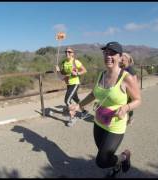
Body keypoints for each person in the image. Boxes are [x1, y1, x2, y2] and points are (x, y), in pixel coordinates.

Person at [69, 42, 142, 177]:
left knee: (101, 161)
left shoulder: (126, 78)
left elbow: (138, 100)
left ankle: (124, 156)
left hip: (115, 125)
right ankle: (117, 166)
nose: (108, 56)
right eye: (106, 53)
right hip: (99, 121)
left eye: (112, 53)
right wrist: (79, 106)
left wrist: (126, 107)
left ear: (120, 57)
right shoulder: (101, 74)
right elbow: (93, 94)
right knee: (104, 154)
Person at [55, 47, 88, 127]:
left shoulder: (75, 61)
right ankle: (84, 112)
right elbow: (62, 74)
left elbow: (84, 70)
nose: (67, 53)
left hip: (75, 83)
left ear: (73, 53)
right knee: (75, 99)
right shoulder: (64, 62)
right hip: (69, 84)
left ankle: (72, 118)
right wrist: (58, 70)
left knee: (67, 100)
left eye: (69, 52)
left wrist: (77, 73)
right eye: (66, 52)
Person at [120, 52, 138, 125]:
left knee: (128, 105)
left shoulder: (130, 70)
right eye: (120, 59)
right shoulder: (121, 68)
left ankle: (130, 118)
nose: (120, 61)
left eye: (122, 60)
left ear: (127, 60)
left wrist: (133, 93)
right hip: (122, 90)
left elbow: (135, 82)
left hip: (129, 91)